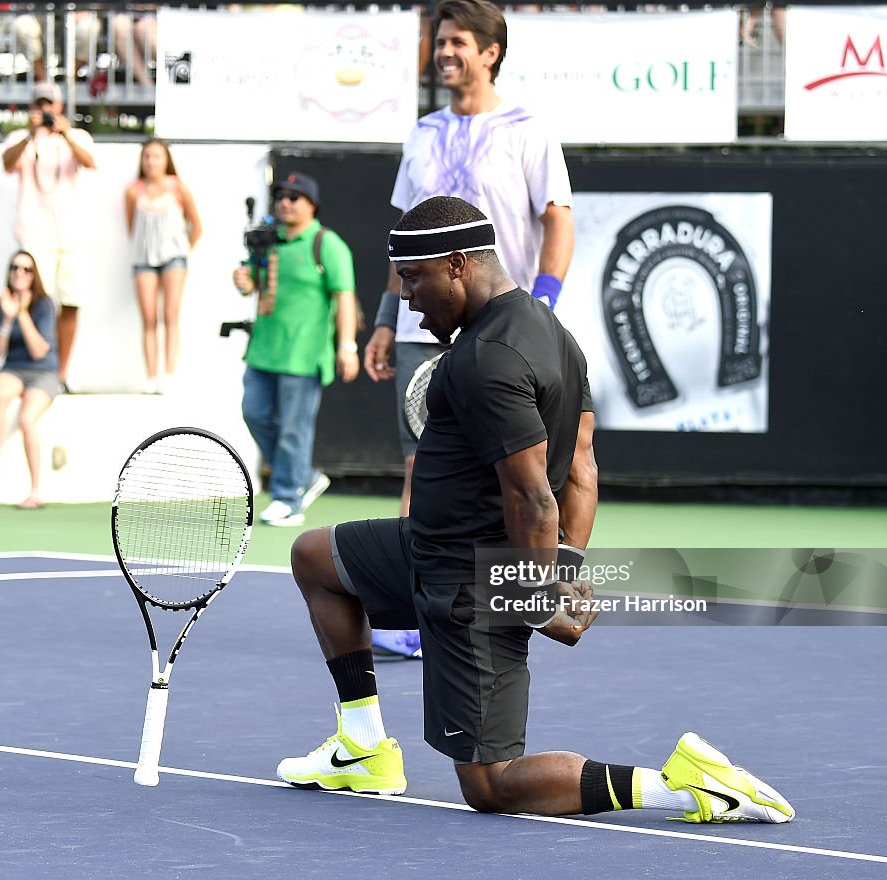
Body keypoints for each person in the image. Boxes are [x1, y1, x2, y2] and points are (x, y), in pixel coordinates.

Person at [277, 196, 795, 826]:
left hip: (473, 583)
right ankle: (362, 747)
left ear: (459, 264)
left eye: (414, 278)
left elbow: (535, 496)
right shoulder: (556, 336)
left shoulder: (483, 360)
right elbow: (582, 468)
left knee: (491, 786)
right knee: (316, 556)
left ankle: (684, 786)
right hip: (430, 548)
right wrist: (567, 569)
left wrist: (531, 596)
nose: (407, 299)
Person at [365, 0, 575, 657]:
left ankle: (515, 603)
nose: (445, 52)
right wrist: (383, 317)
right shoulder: (422, 131)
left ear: (490, 52)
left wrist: (540, 304)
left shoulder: (528, 127)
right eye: (441, 42)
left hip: (498, 329)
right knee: (417, 465)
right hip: (420, 321)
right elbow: (404, 240)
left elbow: (557, 219)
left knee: (507, 473)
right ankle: (411, 610)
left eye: (458, 41)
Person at [231, 172, 359, 527]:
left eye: (295, 197)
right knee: (254, 412)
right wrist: (243, 281)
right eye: (281, 196)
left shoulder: (326, 243)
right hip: (263, 350)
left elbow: (344, 297)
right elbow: (252, 283)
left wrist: (347, 346)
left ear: (311, 205)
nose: (285, 202)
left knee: (293, 428)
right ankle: (303, 474)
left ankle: (289, 498)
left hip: (304, 355)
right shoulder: (268, 242)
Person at [1, 81, 96, 391]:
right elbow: (7, 163)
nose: (44, 110)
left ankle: (62, 372)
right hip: (34, 233)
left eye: (49, 105)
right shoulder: (21, 137)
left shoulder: (75, 136)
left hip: (70, 234)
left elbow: (89, 162)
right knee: (33, 302)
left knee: (70, 302)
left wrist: (64, 133)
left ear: (59, 107)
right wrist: (31, 134)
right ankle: (32, 369)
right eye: (39, 105)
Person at [0, 251, 61, 510]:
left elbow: (39, 351)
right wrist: (7, 317)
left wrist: (22, 314)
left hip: (43, 371)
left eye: (26, 269)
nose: (19, 273)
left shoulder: (44, 304)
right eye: (15, 267)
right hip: (13, 368)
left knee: (27, 418)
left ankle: (35, 490)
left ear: (33, 275)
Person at [125, 139, 202, 394]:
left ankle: (168, 373)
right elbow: (132, 227)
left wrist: (181, 249)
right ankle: (152, 375)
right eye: (147, 156)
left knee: (171, 314)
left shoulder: (178, 188)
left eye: (156, 156)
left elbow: (196, 226)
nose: (151, 162)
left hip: (173, 259)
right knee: (149, 317)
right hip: (144, 259)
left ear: (166, 159)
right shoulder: (134, 191)